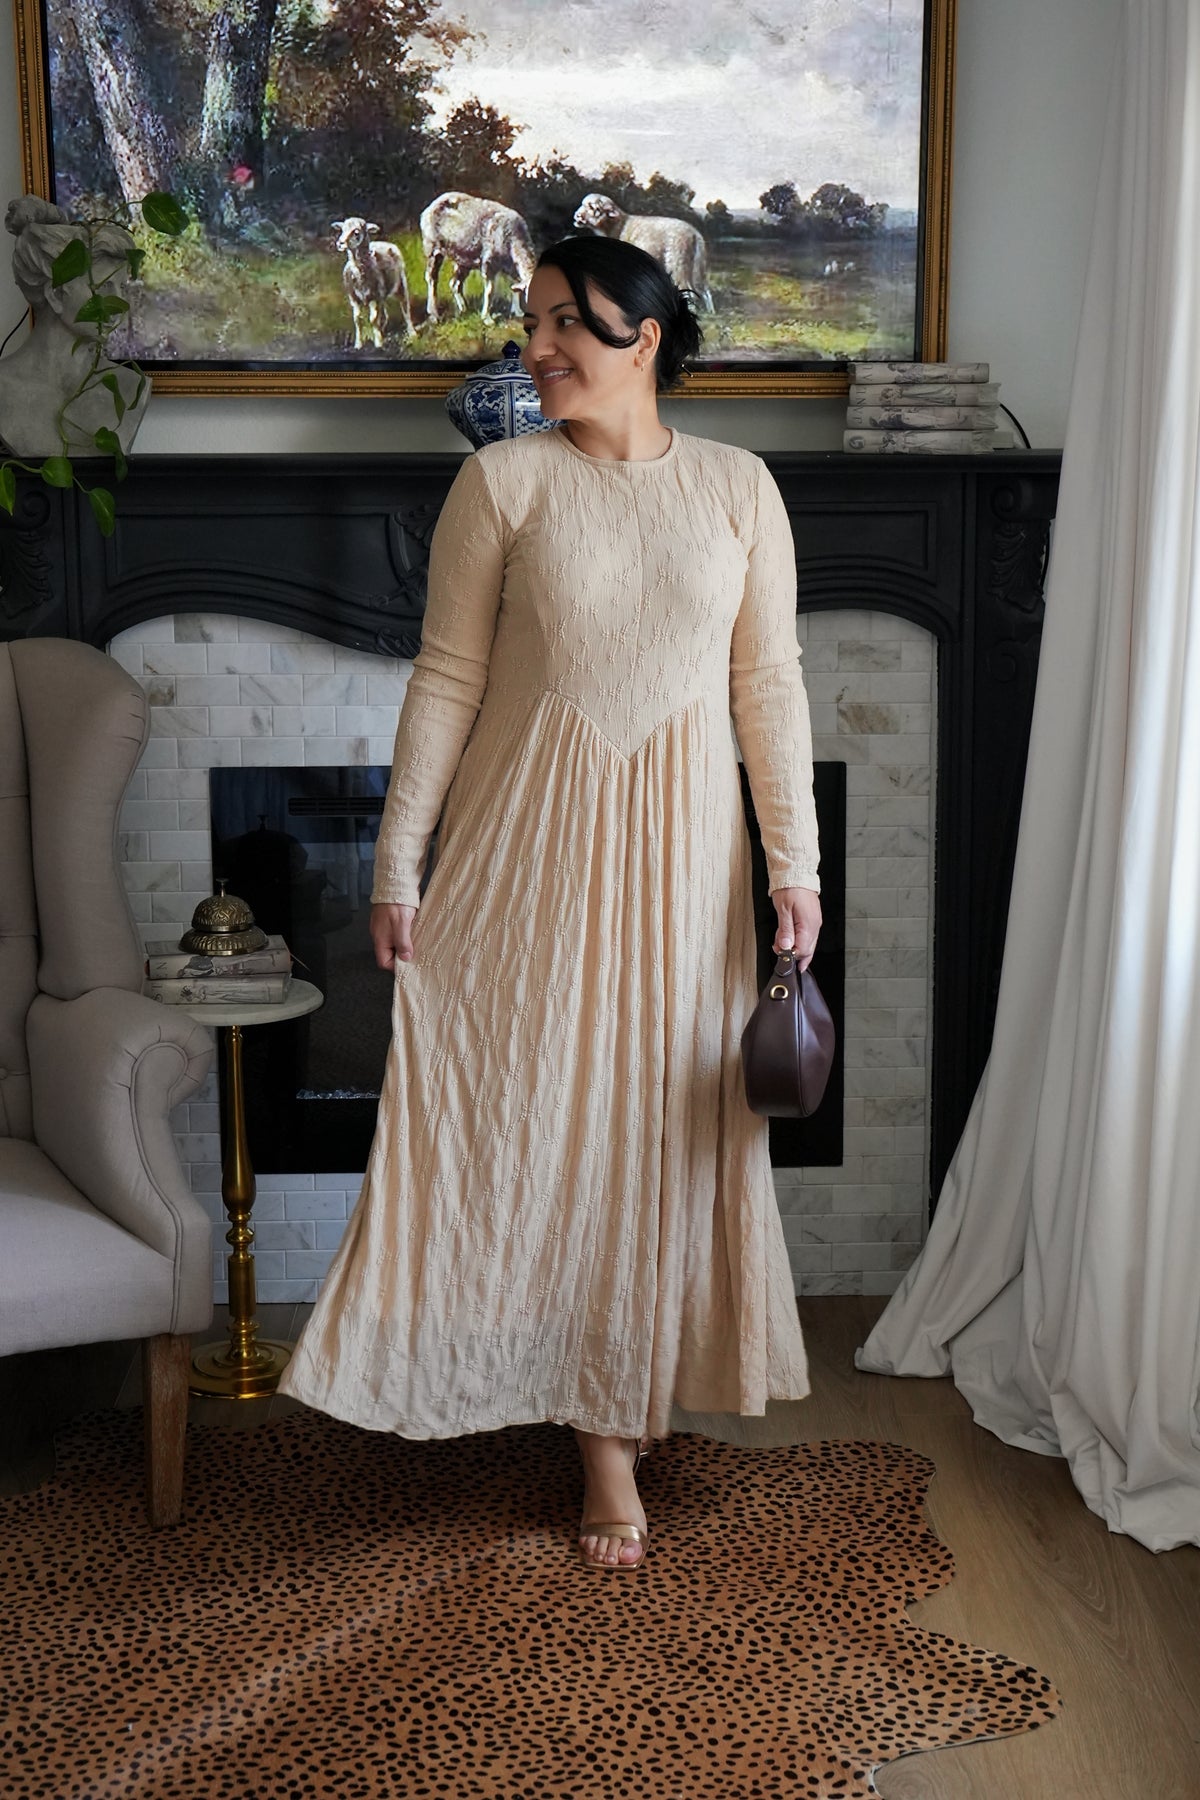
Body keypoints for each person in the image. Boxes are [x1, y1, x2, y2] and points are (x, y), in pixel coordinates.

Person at [276, 235, 822, 1571]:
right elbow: (447, 679)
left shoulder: (741, 488)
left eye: (566, 323)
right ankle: (596, 1439)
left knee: (660, 1133)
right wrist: (396, 863)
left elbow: (769, 687)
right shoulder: (502, 481)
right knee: (541, 1119)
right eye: (531, 323)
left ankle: (623, 1391)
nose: (537, 348)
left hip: (688, 867)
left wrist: (794, 864)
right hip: (525, 856)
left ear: (646, 335)